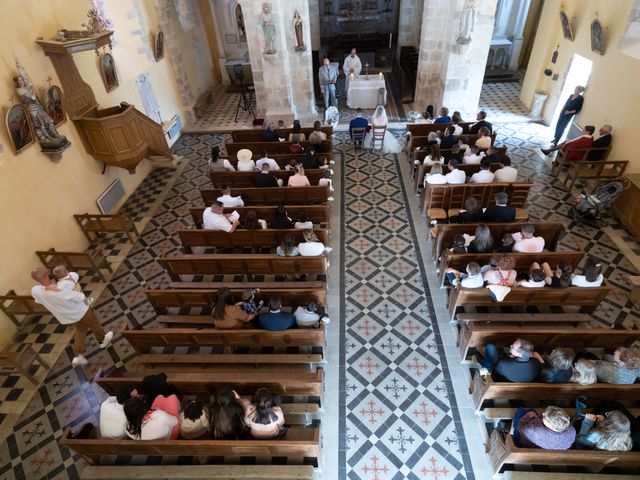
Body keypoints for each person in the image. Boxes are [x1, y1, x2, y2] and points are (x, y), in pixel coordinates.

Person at [31, 266, 113, 367]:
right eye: (48, 272)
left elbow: (38, 300)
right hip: (80, 311)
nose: (50, 272)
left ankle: (78, 356)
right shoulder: (58, 291)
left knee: (81, 330)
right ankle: (102, 340)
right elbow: (79, 297)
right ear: (45, 276)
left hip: (68, 316)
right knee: (94, 323)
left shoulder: (35, 290)